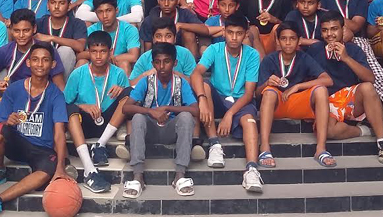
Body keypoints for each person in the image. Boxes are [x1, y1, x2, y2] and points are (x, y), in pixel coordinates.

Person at [0, 9, 65, 191]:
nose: (21, 35)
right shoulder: (5, 50)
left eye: (25, 30)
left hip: (40, 100)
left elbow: (59, 85)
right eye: (16, 31)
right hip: (15, 97)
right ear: (11, 30)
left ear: (34, 30)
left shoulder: (43, 52)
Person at [0, 42, 72, 216]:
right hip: (17, 143)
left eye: (45, 60)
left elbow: (59, 132)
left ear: (53, 64)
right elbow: (1, 122)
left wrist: (60, 166)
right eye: (35, 60)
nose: (40, 64)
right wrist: (8, 122)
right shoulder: (14, 88)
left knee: (47, 172)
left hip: (41, 149)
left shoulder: (56, 94)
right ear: (28, 62)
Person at [307, 11, 383, 165]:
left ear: (343, 30)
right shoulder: (314, 50)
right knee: (327, 131)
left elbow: (370, 78)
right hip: (326, 102)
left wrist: (346, 58)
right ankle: (366, 130)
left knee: (367, 88)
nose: (330, 34)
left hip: (351, 101)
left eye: (334, 29)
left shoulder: (354, 50)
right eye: (325, 30)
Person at [190, 15, 264, 193]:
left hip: (241, 100)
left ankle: (252, 170)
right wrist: (201, 99)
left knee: (250, 122)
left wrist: (229, 115)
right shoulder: (214, 49)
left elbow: (249, 93)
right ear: (223, 32)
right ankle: (215, 144)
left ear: (245, 34)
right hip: (219, 97)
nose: (234, 37)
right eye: (230, 32)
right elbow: (196, 74)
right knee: (205, 86)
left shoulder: (252, 55)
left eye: (239, 33)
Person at [121, 43, 200, 198]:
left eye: (167, 61)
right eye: (157, 62)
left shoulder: (181, 82)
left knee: (185, 117)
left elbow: (195, 110)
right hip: (150, 130)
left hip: (171, 130)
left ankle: (180, 175)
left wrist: (167, 108)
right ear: (153, 64)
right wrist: (150, 111)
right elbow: (126, 108)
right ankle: (138, 176)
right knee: (137, 117)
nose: (162, 66)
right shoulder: (146, 81)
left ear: (175, 63)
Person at [256, 21, 335, 168]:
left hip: (298, 104)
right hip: (276, 105)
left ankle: (321, 149)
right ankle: (264, 148)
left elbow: (327, 80)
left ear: (299, 41)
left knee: (321, 90)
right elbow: (256, 93)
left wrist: (298, 86)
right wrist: (267, 83)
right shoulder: (269, 59)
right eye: (284, 38)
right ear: (277, 41)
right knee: (268, 93)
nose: (288, 43)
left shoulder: (303, 58)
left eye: (292, 39)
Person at [64, 31, 131, 193]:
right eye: (94, 52)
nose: (98, 56)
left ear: (111, 52)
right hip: (85, 122)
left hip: (109, 122)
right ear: (88, 52)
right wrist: (83, 106)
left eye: (103, 51)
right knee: (71, 108)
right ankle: (89, 169)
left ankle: (100, 145)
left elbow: (128, 99)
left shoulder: (118, 73)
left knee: (129, 94)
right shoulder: (78, 74)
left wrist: (122, 90)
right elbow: (63, 103)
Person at [139, 0, 208, 58]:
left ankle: (191, 68)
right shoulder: (150, 20)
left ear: (178, 0)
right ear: (158, 0)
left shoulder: (185, 14)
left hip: (182, 57)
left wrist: (181, 25)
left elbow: (205, 29)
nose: (166, 4)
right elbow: (147, 51)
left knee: (189, 34)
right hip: (158, 58)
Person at [77, 0, 140, 75]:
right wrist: (101, 56)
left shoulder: (129, 29)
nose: (105, 16)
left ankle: (125, 88)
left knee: (124, 63)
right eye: (100, 12)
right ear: (95, 13)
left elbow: (133, 56)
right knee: (82, 62)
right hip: (96, 66)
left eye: (108, 10)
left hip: (117, 66)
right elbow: (79, 56)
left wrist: (108, 58)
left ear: (116, 10)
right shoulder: (91, 30)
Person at [35, 0, 88, 78]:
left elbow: (80, 46)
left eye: (61, 3)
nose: (56, 7)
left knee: (66, 51)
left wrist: (52, 38)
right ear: (48, 5)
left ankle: (63, 90)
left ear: (69, 6)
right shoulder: (39, 23)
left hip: (67, 70)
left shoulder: (77, 23)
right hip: (42, 64)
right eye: (53, 3)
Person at [130, 17, 198, 87]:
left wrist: (171, 73)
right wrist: (146, 75)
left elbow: (195, 82)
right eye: (158, 36)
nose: (163, 40)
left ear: (175, 38)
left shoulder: (185, 54)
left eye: (168, 36)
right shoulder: (145, 57)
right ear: (153, 39)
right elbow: (131, 84)